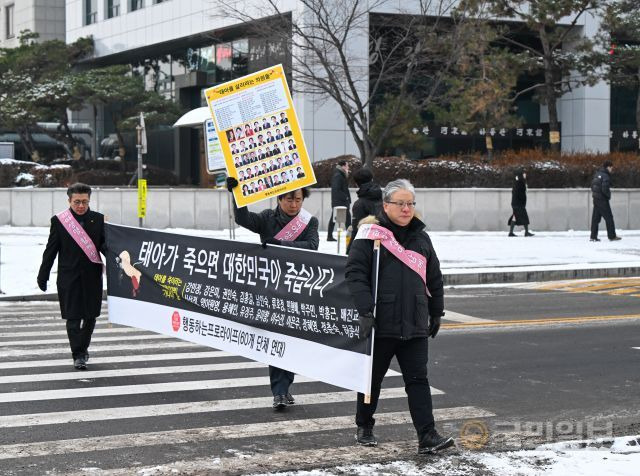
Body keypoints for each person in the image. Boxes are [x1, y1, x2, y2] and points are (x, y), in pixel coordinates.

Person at [345, 179, 453, 454]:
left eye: (411, 204)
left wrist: (436, 310)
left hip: (415, 323)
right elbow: (355, 274)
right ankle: (365, 425)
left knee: (418, 380)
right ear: (386, 205)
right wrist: (365, 309)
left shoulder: (421, 237)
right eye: (401, 203)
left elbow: (434, 276)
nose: (407, 209)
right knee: (372, 380)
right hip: (381, 322)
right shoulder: (370, 235)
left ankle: (427, 436)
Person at [226, 177, 319, 409]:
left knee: (292, 340)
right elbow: (242, 218)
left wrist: (279, 245)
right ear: (279, 198)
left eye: (298, 200)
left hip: (298, 289)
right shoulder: (267, 219)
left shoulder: (309, 222)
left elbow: (312, 246)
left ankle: (285, 387)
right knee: (276, 338)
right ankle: (279, 391)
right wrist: (236, 193)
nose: (294, 204)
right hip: (272, 288)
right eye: (289, 199)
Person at [37, 183, 105, 370]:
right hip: (69, 278)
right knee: (73, 318)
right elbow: (51, 250)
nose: (81, 206)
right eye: (77, 202)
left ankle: (83, 349)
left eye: (84, 201)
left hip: (92, 277)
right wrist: (43, 275)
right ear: (69, 201)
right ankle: (78, 354)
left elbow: (104, 246)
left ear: (89, 200)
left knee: (90, 317)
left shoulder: (98, 220)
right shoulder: (60, 221)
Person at [348, 167, 382, 252]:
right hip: (384, 245)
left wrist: (348, 253)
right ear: (372, 179)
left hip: (365, 249)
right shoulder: (383, 198)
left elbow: (356, 232)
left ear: (356, 184)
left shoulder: (359, 204)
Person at [590, 160, 621, 242]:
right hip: (602, 200)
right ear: (608, 167)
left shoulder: (597, 174)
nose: (612, 170)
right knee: (609, 218)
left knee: (595, 219)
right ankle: (612, 236)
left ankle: (593, 236)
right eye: (611, 168)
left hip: (596, 199)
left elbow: (592, 186)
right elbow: (604, 188)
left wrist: (595, 195)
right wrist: (608, 196)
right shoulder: (606, 176)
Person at [327, 159, 351, 242]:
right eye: (347, 165)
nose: (348, 167)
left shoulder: (340, 174)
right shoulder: (338, 175)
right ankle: (350, 235)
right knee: (346, 218)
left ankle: (329, 236)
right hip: (340, 201)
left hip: (340, 201)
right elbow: (336, 189)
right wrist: (346, 197)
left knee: (338, 218)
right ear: (343, 166)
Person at [508, 169, 534, 237]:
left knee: (515, 217)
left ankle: (511, 232)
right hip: (519, 204)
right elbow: (521, 194)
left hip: (515, 203)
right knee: (524, 217)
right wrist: (522, 203)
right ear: (521, 175)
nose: (525, 175)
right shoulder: (520, 183)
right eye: (524, 174)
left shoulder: (516, 182)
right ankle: (526, 232)